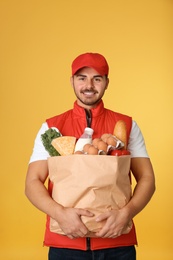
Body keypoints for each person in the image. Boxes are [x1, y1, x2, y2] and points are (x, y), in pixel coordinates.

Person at [25, 52, 155, 260]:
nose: (89, 85)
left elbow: (147, 179)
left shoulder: (127, 125)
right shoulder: (51, 127)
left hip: (117, 242)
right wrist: (60, 214)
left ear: (106, 82)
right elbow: (32, 182)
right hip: (66, 242)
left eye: (97, 78)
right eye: (82, 78)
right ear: (72, 81)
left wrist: (126, 214)